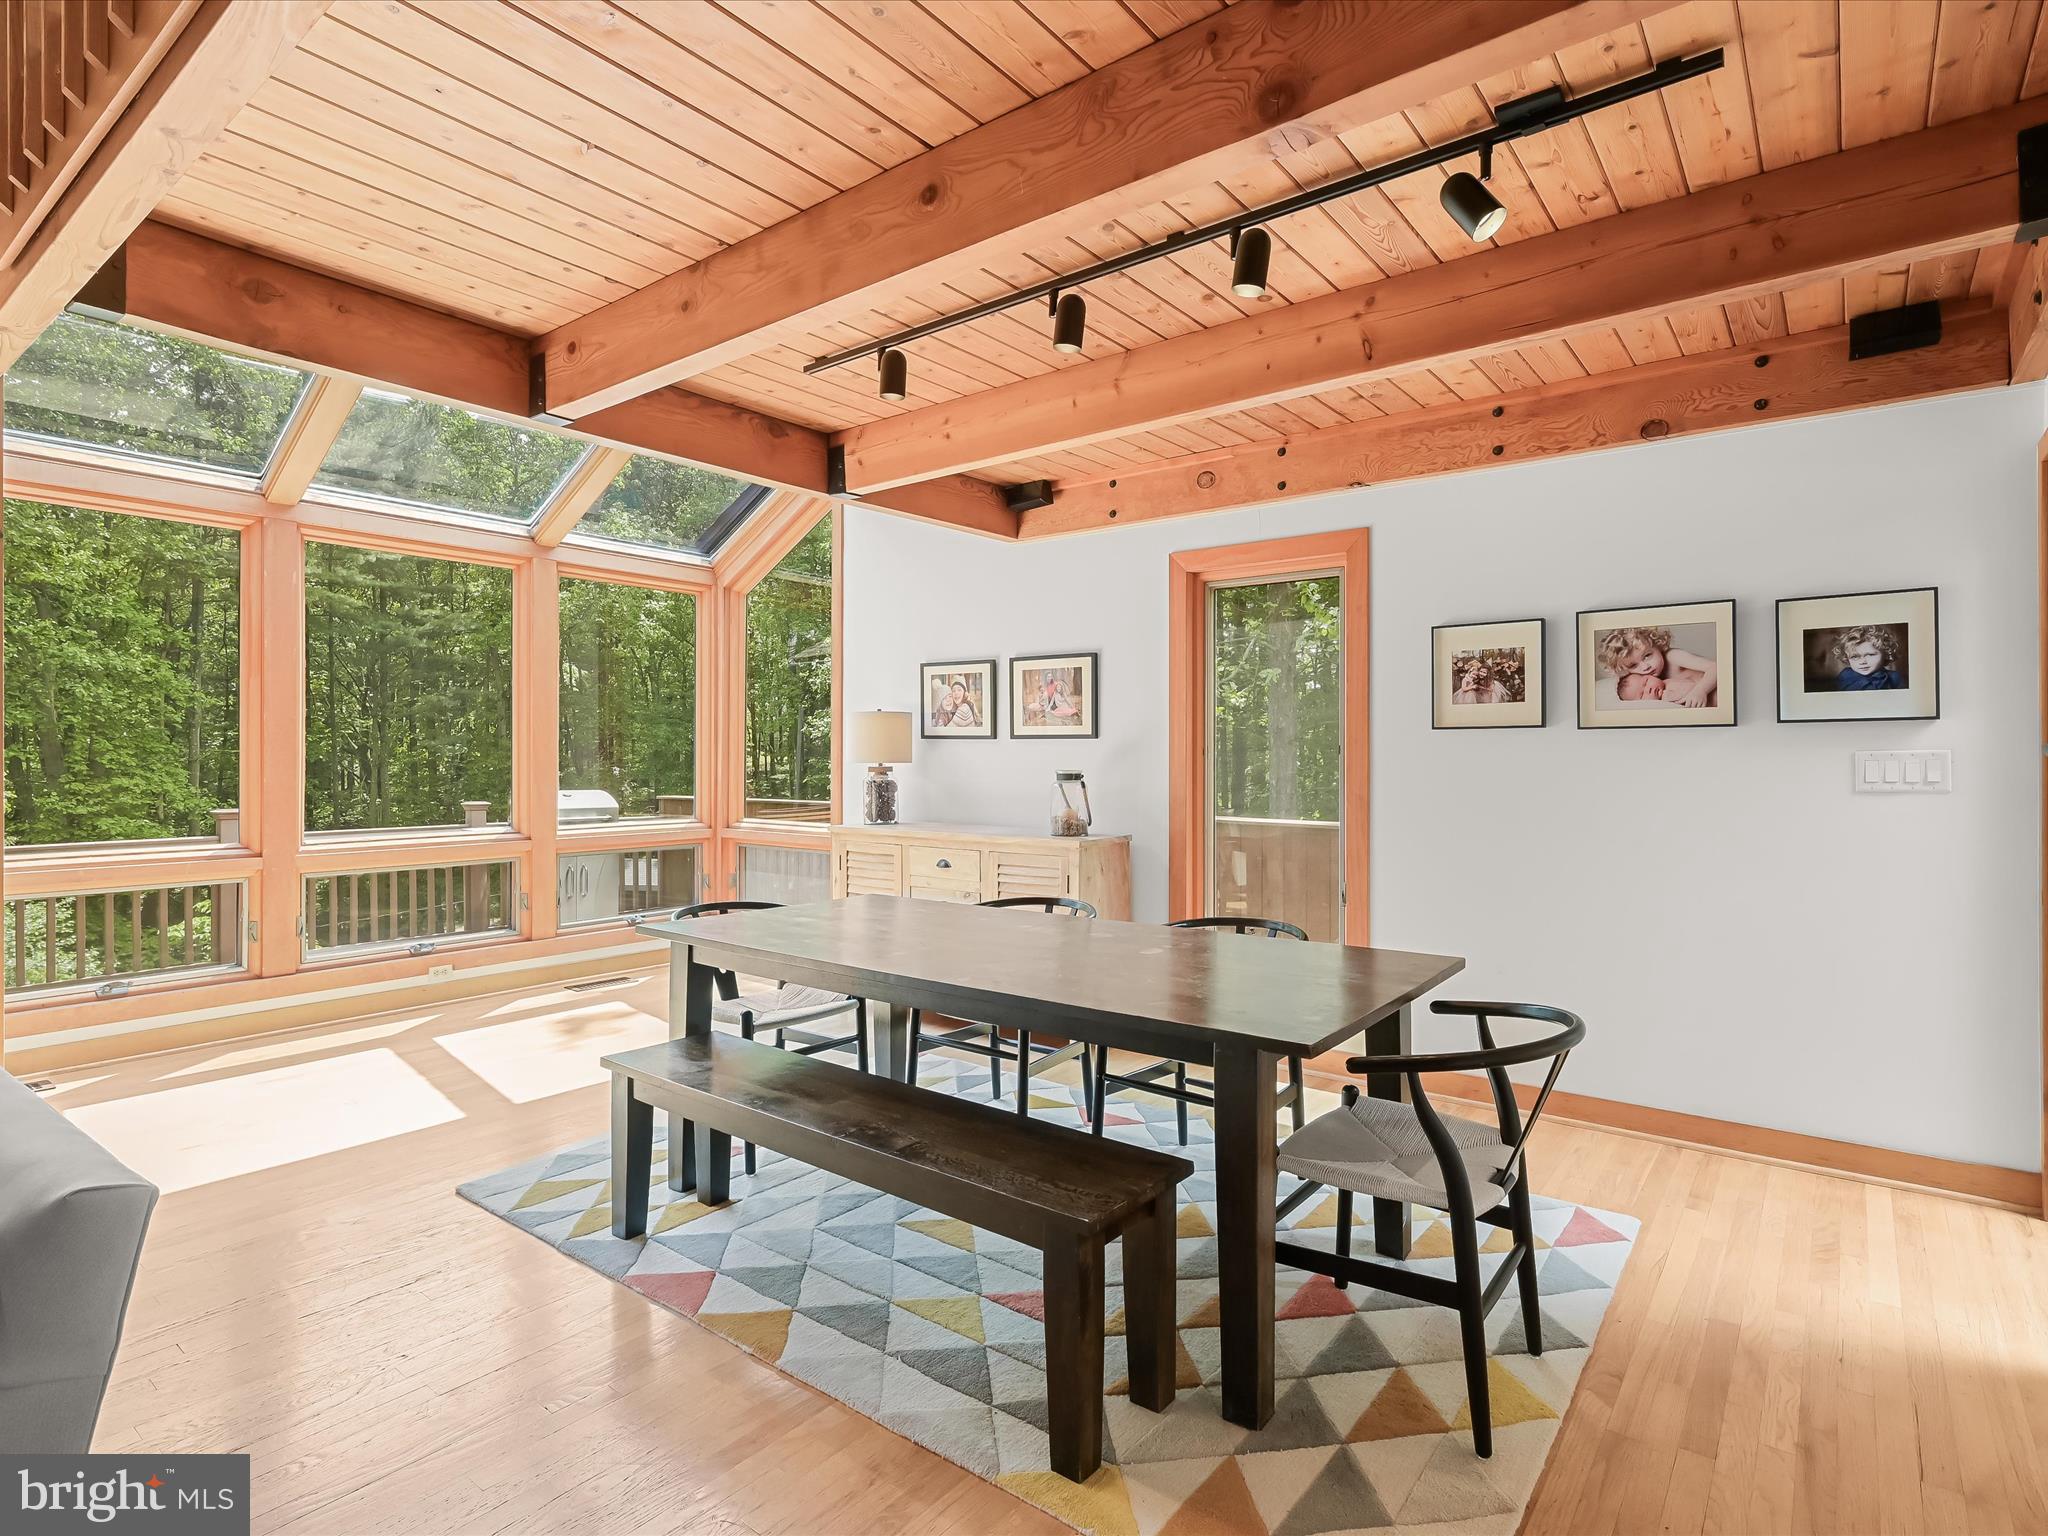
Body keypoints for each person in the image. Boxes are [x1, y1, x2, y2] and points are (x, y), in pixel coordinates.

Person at [1598, 625, 1717, 708]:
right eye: (1633, 665)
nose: (1645, 667)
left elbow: (1717, 668)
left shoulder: (1673, 657)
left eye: (1647, 655)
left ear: (1658, 645)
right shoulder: (1643, 682)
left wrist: (1700, 690)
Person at [1828, 626, 1905, 690]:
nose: (1862, 662)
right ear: (1847, 658)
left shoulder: (1894, 677)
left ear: (1886, 653)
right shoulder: (1845, 676)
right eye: (1855, 657)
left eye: (1870, 655)